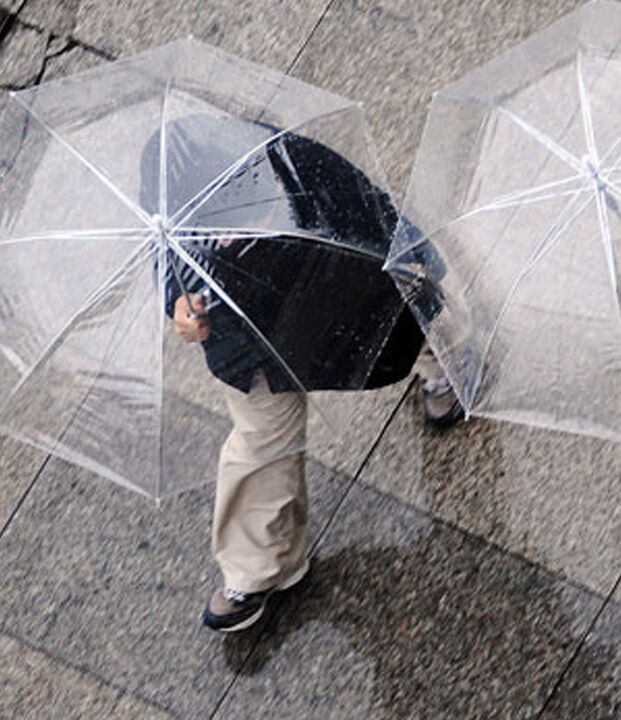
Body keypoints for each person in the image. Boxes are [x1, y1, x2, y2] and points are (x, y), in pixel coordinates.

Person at [147, 114, 424, 632]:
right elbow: (165, 258)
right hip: (246, 339)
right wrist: (179, 305)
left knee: (401, 324)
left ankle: (444, 364)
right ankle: (257, 569)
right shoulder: (169, 173)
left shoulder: (295, 167)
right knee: (259, 441)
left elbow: (372, 225)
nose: (223, 237)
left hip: (330, 288)